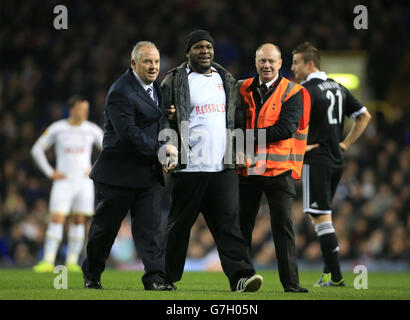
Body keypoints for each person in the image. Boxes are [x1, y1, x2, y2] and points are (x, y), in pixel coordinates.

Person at [161, 29, 263, 292]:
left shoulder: (226, 79)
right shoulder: (173, 81)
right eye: (198, 47)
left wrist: (240, 149)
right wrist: (168, 148)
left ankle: (241, 277)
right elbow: (164, 119)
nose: (204, 51)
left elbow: (237, 118)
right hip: (189, 167)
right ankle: (164, 278)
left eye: (208, 46)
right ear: (188, 52)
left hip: (222, 167)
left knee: (229, 225)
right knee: (179, 227)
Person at [81, 41, 177, 290]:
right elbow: (128, 133)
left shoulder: (156, 88)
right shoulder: (120, 91)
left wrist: (167, 118)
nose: (154, 66)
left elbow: (152, 121)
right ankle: (92, 272)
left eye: (156, 61)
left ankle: (155, 278)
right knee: (105, 229)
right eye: (148, 61)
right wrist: (159, 151)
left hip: (147, 174)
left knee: (151, 231)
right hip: (118, 173)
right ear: (133, 63)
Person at [291, 42, 371, 287]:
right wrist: (345, 144)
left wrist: (298, 148)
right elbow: (364, 116)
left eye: (296, 62)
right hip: (336, 159)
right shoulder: (337, 87)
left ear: (310, 63)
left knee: (321, 217)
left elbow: (292, 125)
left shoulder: (305, 91)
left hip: (316, 160)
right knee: (323, 216)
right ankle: (329, 274)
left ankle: (335, 277)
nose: (292, 68)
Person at [238, 43, 310, 293]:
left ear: (281, 64)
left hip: (279, 171)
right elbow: (232, 121)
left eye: (271, 61)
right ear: (255, 62)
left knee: (283, 228)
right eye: (262, 61)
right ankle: (242, 279)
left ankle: (291, 284)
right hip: (248, 170)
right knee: (242, 226)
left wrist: (245, 136)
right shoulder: (242, 87)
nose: (267, 65)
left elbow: (285, 128)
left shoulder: (293, 92)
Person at [31, 96, 103, 273]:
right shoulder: (58, 128)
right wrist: (50, 172)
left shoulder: (91, 129)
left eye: (86, 109)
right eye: (81, 109)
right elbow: (36, 149)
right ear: (71, 109)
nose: (85, 112)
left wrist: (95, 168)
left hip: (83, 183)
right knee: (57, 218)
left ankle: (72, 262)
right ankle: (48, 260)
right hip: (63, 181)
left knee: (79, 220)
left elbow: (108, 149)